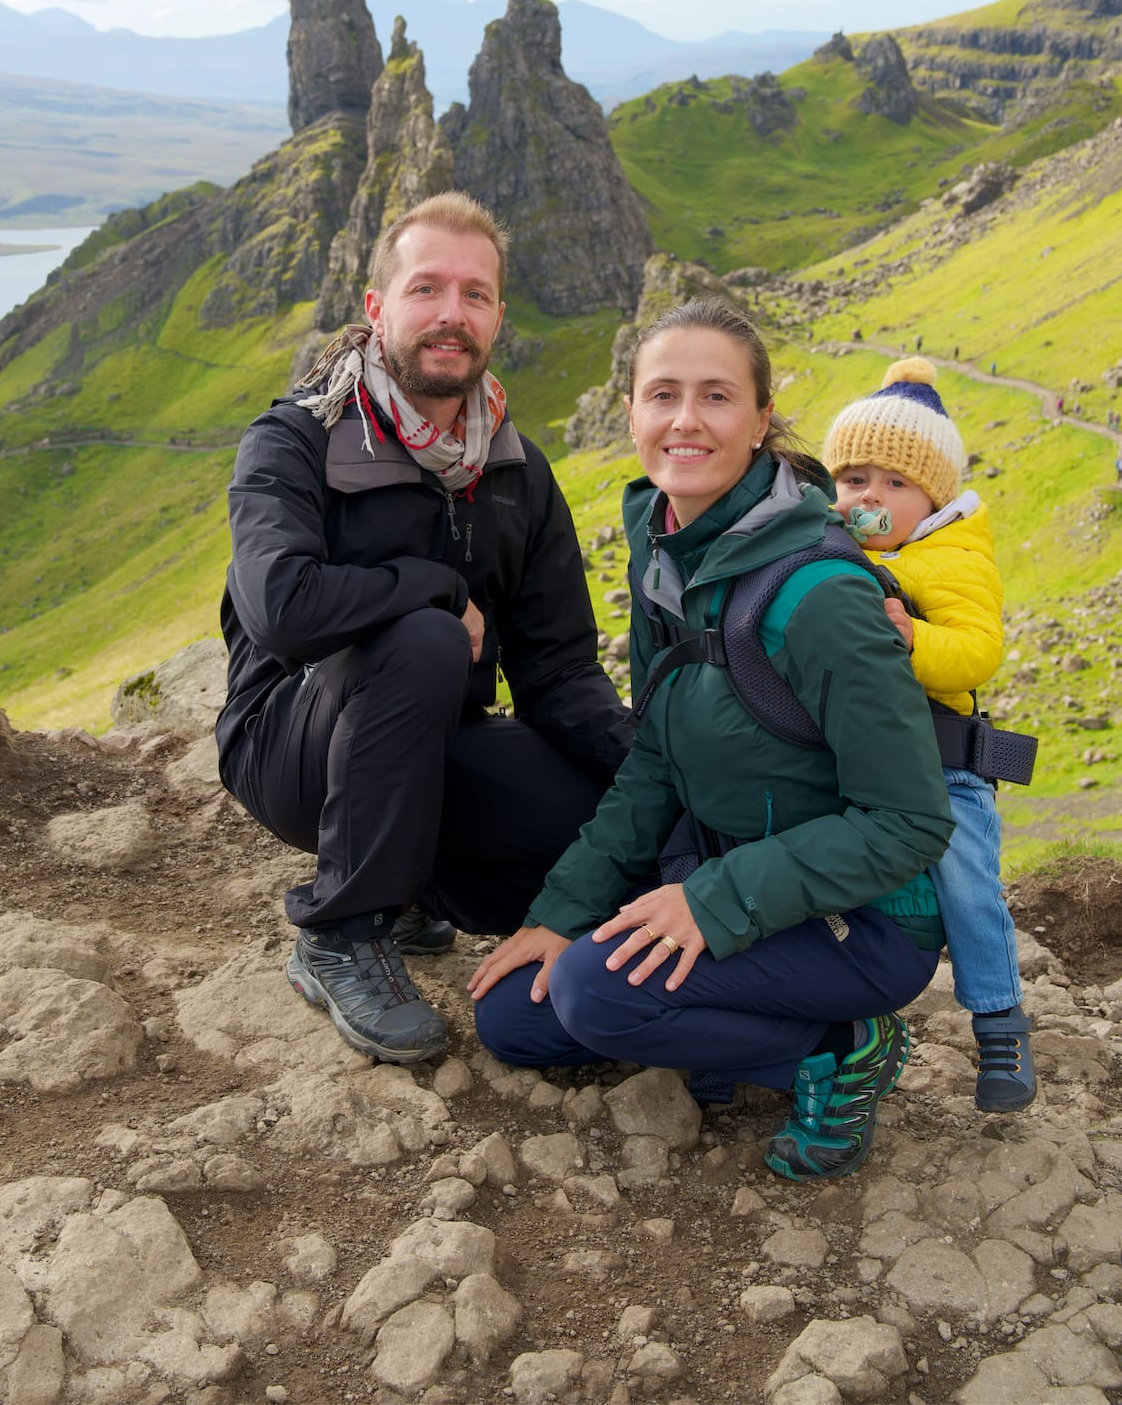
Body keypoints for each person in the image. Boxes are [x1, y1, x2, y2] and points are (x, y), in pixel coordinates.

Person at [469, 299, 953, 1182]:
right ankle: (720, 1036)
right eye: (662, 394)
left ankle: (840, 1047)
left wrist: (710, 903)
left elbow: (908, 823)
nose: (684, 420)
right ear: (631, 412)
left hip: (860, 925)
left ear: (761, 418)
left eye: (716, 397)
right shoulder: (667, 557)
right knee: (516, 1016)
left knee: (590, 993)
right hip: (728, 877)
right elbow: (654, 759)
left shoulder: (820, 597)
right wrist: (556, 915)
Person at [214, 191, 632, 1067]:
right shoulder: (295, 440)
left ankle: (409, 888)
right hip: (289, 746)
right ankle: (341, 930)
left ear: (497, 317)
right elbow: (280, 610)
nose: (452, 314)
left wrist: (647, 775)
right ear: (377, 308)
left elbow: (558, 673)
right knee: (424, 635)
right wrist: (434, 588)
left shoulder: (516, 470)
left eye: (475, 295)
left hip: (434, 747)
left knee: (603, 822)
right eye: (426, 289)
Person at [824, 357, 1034, 1111]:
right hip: (858, 764)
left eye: (894, 482)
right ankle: (842, 1024)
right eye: (853, 479)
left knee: (965, 882)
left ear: (934, 495)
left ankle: (999, 1022)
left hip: (942, 763)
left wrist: (910, 636)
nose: (868, 497)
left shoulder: (950, 557)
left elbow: (978, 652)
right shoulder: (839, 553)